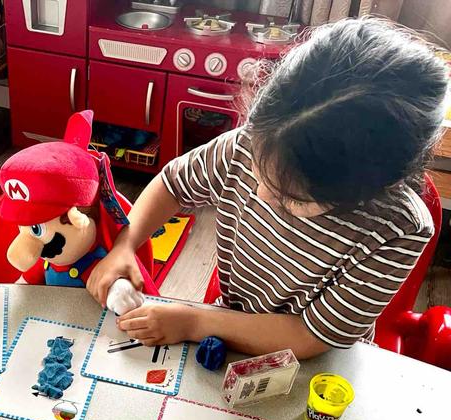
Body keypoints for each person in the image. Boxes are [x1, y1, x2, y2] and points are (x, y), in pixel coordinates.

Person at [86, 18, 448, 358]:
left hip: (304, 356)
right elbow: (171, 183)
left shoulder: (399, 228)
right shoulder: (253, 142)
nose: (260, 194)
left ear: (372, 190)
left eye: (291, 199)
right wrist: (125, 244)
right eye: (259, 169)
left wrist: (194, 322)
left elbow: (313, 336)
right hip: (229, 314)